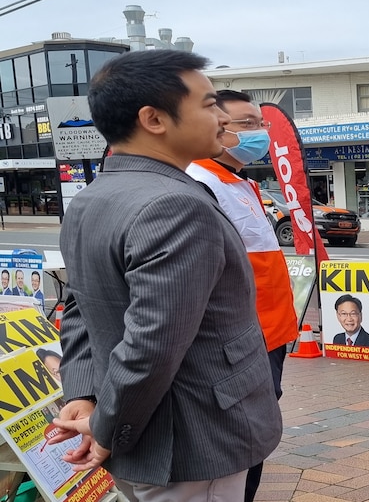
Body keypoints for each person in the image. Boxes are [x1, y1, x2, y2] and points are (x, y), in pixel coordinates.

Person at [46, 50, 281, 502]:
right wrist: (104, 424)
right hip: (191, 440)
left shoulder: (93, 198)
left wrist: (84, 392)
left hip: (146, 434)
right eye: (209, 104)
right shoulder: (176, 205)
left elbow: (79, 307)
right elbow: (152, 343)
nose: (221, 118)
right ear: (154, 119)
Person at [186, 89, 298, 502]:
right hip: (242, 342)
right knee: (241, 441)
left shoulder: (238, 181)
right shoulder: (200, 181)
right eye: (246, 124)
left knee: (256, 433)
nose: (260, 133)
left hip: (270, 334)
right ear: (216, 126)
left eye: (261, 124)